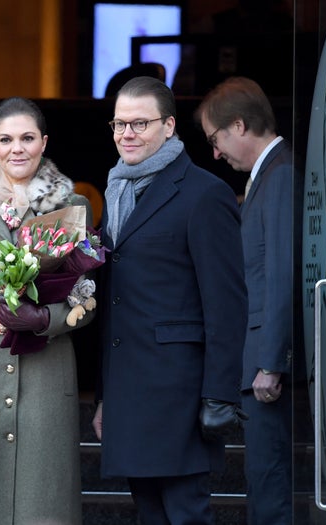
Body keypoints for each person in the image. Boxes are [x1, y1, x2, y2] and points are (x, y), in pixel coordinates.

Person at [91, 76, 248, 525]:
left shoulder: (205, 194)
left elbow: (227, 304)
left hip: (181, 393)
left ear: (170, 126)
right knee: (151, 515)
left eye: (140, 123)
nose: (127, 134)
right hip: (129, 389)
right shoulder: (116, 192)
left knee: (186, 514)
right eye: (120, 124)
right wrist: (104, 397)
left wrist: (219, 394)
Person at [0, 96, 95, 525]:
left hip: (47, 367)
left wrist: (45, 320)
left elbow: (86, 301)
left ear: (44, 143)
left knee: (41, 497)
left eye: (28, 138)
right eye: (7, 139)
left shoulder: (71, 207)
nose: (18, 148)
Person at [195, 76, 292, 525]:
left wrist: (270, 363)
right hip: (256, 362)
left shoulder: (281, 174)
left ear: (239, 125)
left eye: (216, 139)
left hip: (265, 367)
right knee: (262, 480)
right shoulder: (268, 176)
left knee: (270, 485)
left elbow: (280, 275)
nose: (215, 153)